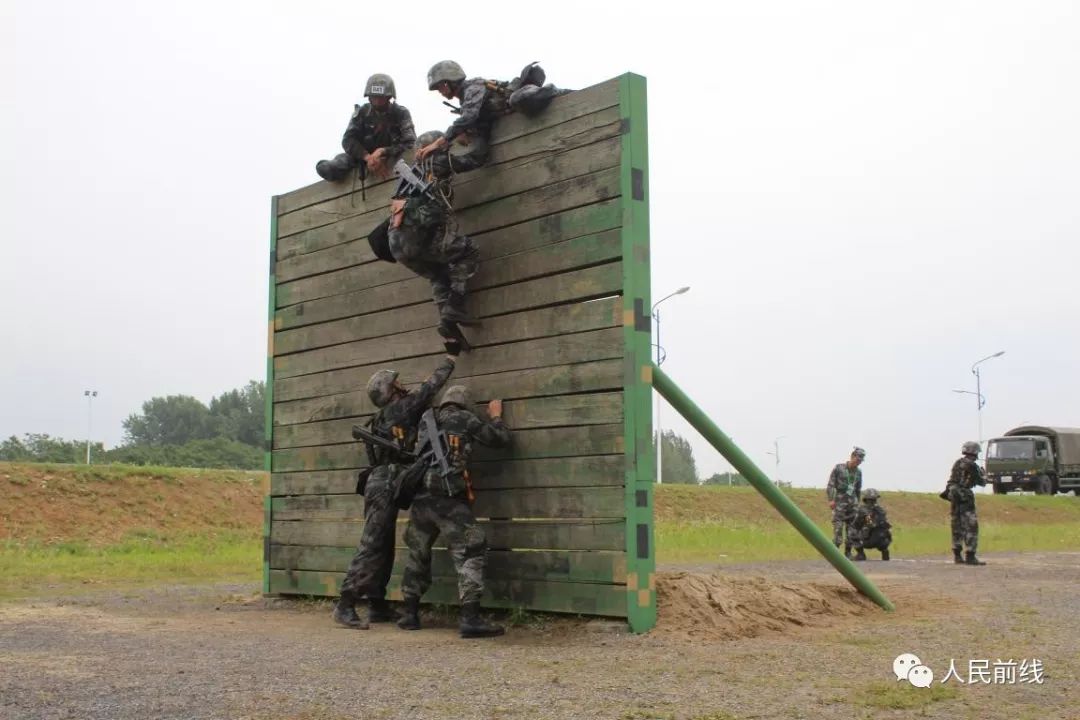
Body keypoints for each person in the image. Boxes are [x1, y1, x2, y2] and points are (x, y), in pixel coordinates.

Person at [332, 349, 458, 629]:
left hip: (386, 482)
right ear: (390, 392)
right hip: (384, 483)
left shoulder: (385, 416)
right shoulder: (397, 410)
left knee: (384, 544)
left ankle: (377, 605)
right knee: (373, 543)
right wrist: (450, 360)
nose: (403, 385)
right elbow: (428, 390)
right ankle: (345, 603)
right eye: (397, 383)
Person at [397, 385, 512, 638]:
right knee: (473, 547)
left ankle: (409, 614)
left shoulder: (427, 419)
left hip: (420, 501)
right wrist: (495, 417)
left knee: (417, 553)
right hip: (448, 500)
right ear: (465, 403)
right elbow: (501, 439)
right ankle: (470, 618)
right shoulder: (465, 418)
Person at [388, 130, 480, 350]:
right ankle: (454, 306)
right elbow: (475, 160)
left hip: (397, 245)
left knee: (438, 273)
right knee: (469, 250)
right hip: (418, 238)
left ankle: (449, 328)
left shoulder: (409, 175)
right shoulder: (438, 160)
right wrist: (480, 134)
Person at [415, 60, 569, 172]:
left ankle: (556, 91)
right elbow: (478, 148)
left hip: (521, 96)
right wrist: (443, 160)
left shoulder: (473, 87)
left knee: (518, 99)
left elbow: (468, 117)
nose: (440, 92)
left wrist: (437, 143)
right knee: (477, 154)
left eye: (440, 86)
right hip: (507, 117)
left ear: (449, 82)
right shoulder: (466, 102)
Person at [315, 73, 416, 183]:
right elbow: (348, 140)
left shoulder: (400, 113)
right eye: (374, 97)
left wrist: (383, 151)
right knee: (326, 168)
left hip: (395, 157)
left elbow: (410, 143)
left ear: (389, 97)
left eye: (381, 97)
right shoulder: (362, 112)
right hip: (361, 160)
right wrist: (368, 157)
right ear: (369, 97)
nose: (377, 101)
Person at [942, 441, 987, 566]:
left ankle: (957, 555)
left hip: (953, 495)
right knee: (971, 526)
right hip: (964, 496)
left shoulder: (958, 462)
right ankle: (970, 556)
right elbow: (981, 482)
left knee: (956, 525)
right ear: (975, 452)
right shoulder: (972, 465)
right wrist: (984, 476)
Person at [826, 447, 865, 558]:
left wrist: (858, 503)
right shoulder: (839, 468)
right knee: (838, 527)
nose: (858, 462)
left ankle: (848, 552)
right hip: (840, 503)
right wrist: (831, 499)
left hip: (853, 504)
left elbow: (858, 489)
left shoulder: (858, 472)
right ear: (852, 456)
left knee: (851, 529)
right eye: (857, 459)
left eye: (860, 461)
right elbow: (831, 485)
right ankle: (835, 553)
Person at [852, 488, 892, 561]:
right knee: (883, 532)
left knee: (852, 531)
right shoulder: (881, 510)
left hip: (869, 541)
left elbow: (859, 524)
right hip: (884, 540)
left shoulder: (863, 510)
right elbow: (887, 525)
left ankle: (861, 554)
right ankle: (884, 550)